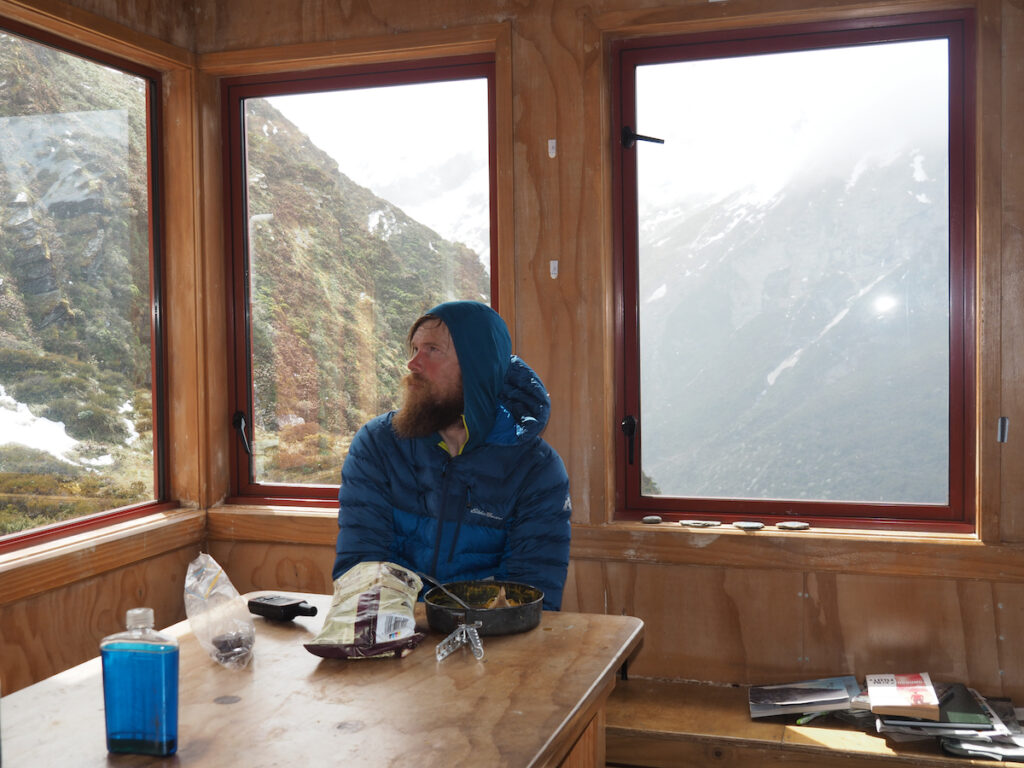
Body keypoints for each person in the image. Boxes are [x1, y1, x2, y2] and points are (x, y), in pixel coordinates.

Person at [332, 300, 572, 610]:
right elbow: (360, 572)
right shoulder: (378, 445)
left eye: (432, 349)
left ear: (478, 367)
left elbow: (528, 597)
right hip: (393, 635)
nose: (413, 364)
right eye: (415, 349)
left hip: (493, 644)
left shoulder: (537, 470)